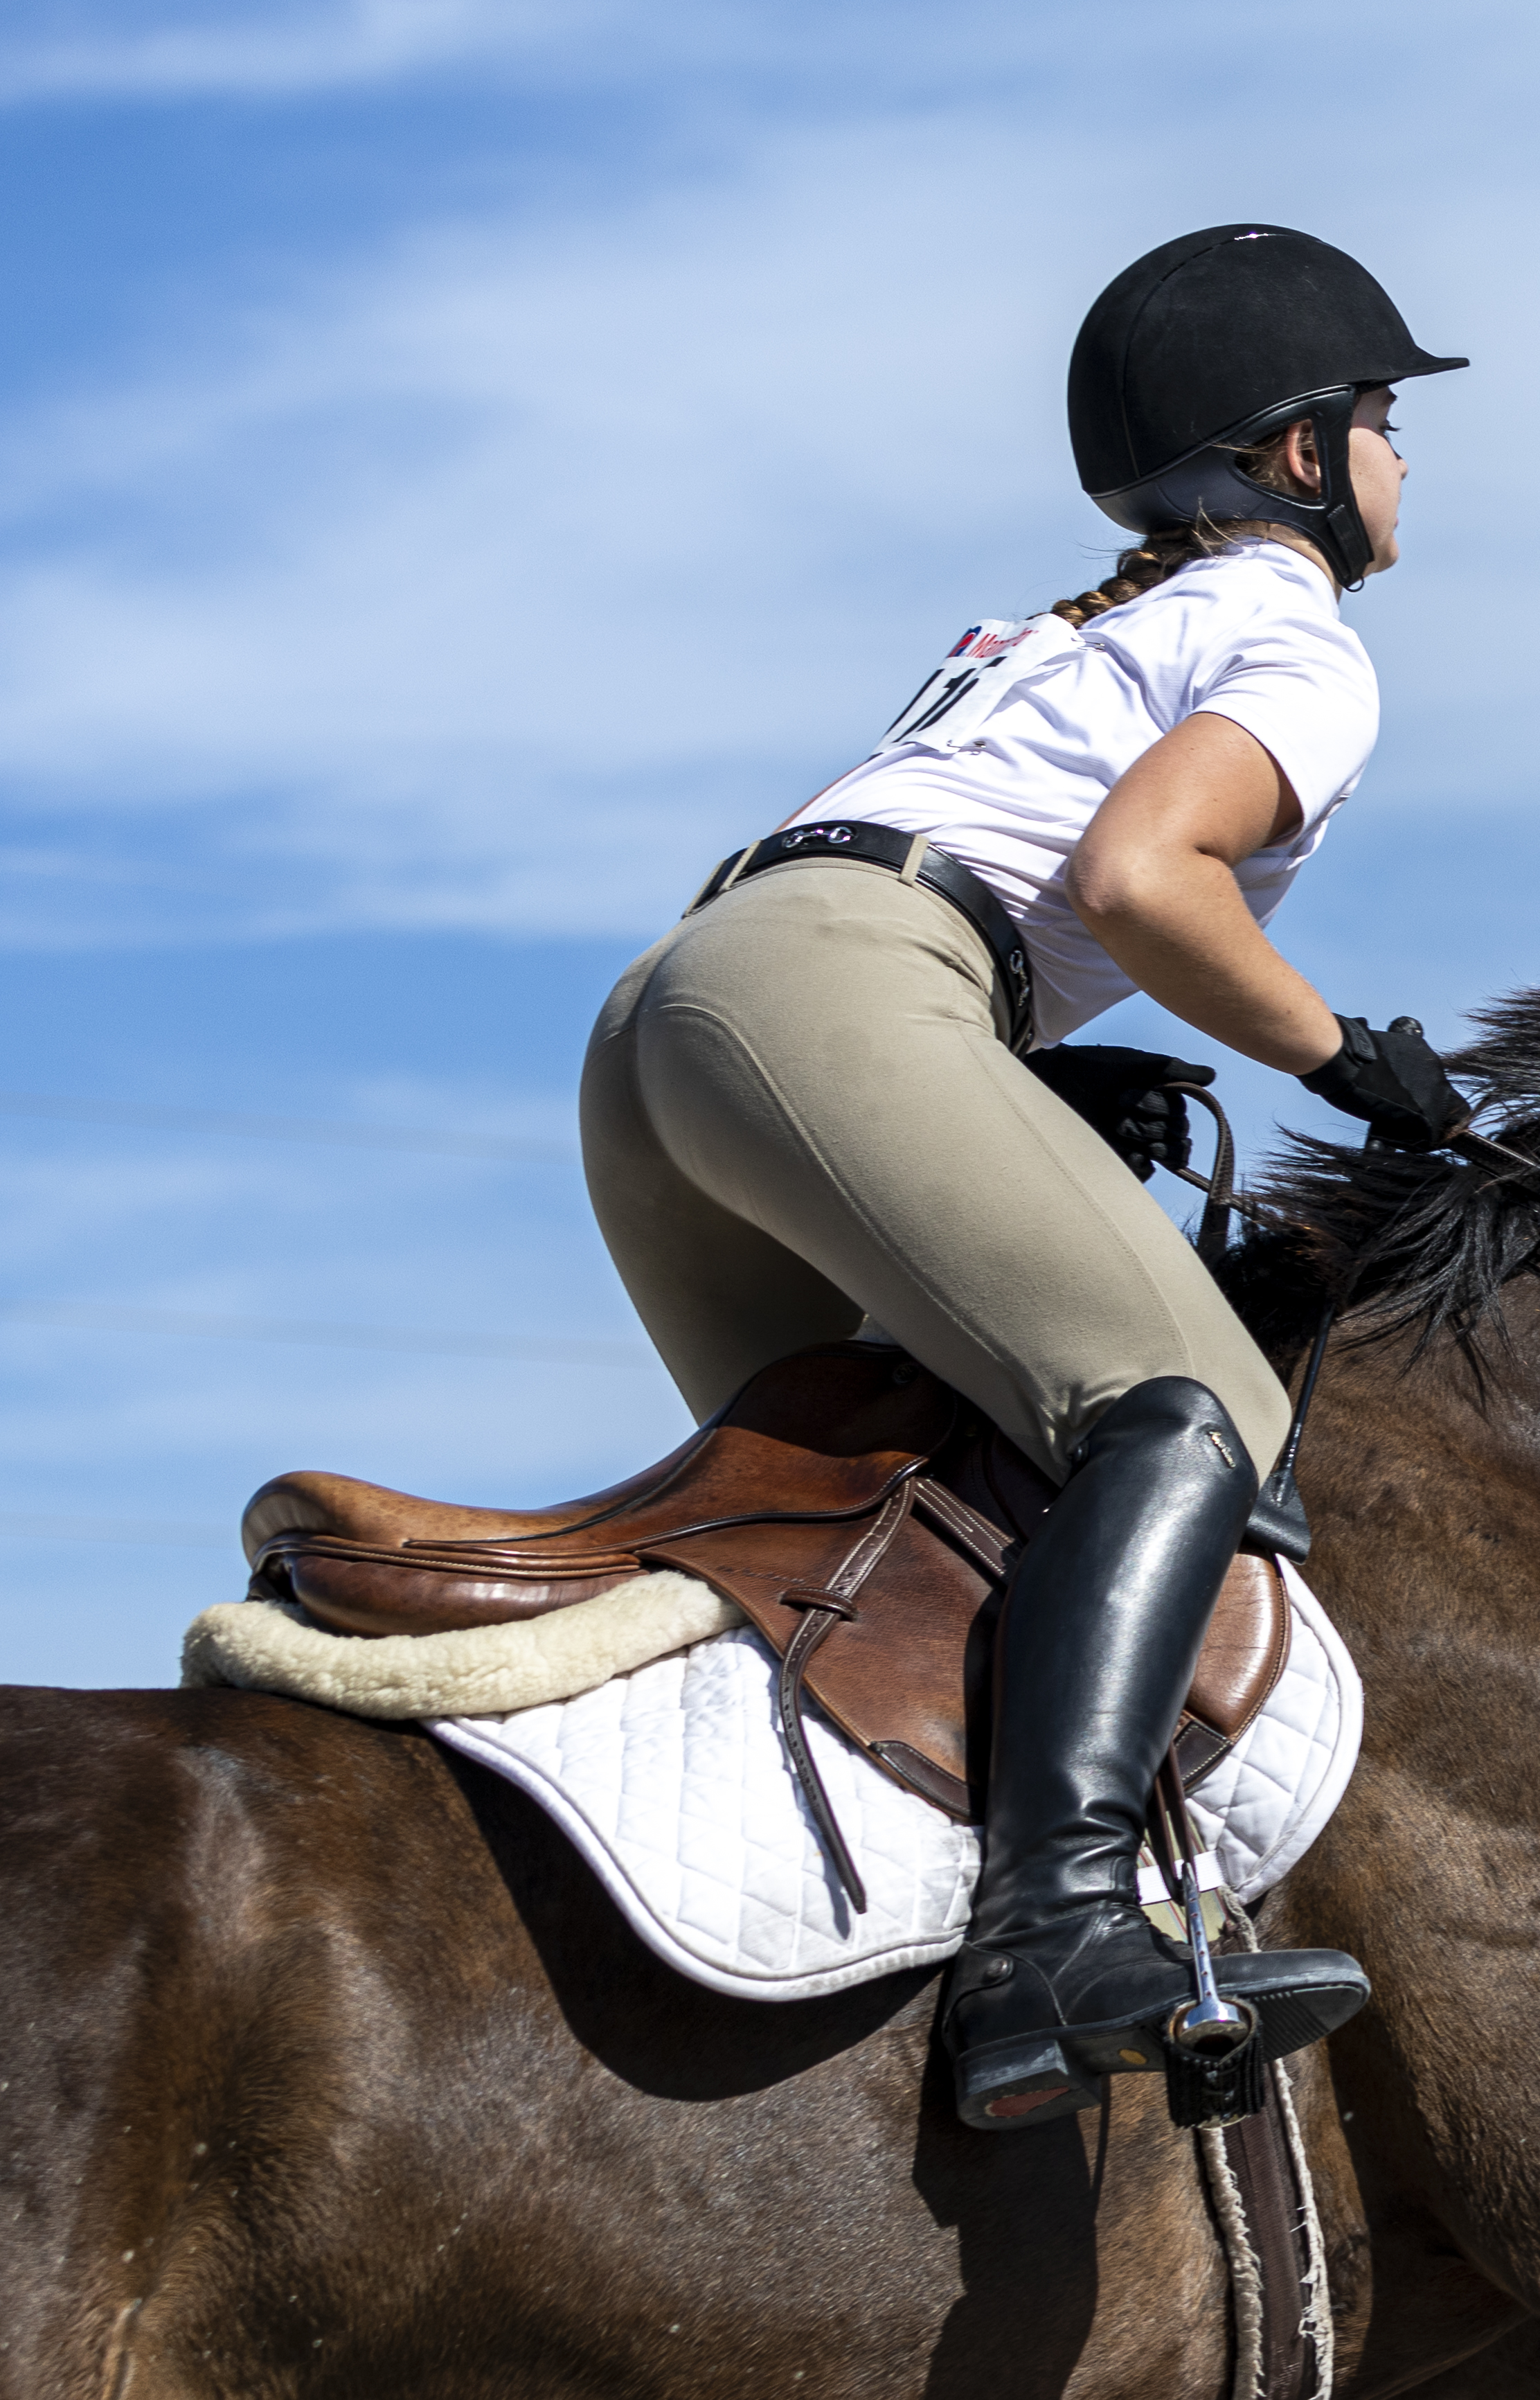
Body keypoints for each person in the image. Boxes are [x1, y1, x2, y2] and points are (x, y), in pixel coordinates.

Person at [578, 225, 1470, 2131]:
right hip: (834, 998)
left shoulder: (1072, 622)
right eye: (1387, 415)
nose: (1410, 454)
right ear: (1304, 456)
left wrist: (1030, 1057)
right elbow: (1143, 880)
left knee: (881, 1499)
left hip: (679, 1018)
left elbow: (991, 882)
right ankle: (1053, 1930)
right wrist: (1342, 1055)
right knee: (1193, 1403)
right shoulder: (1298, 632)